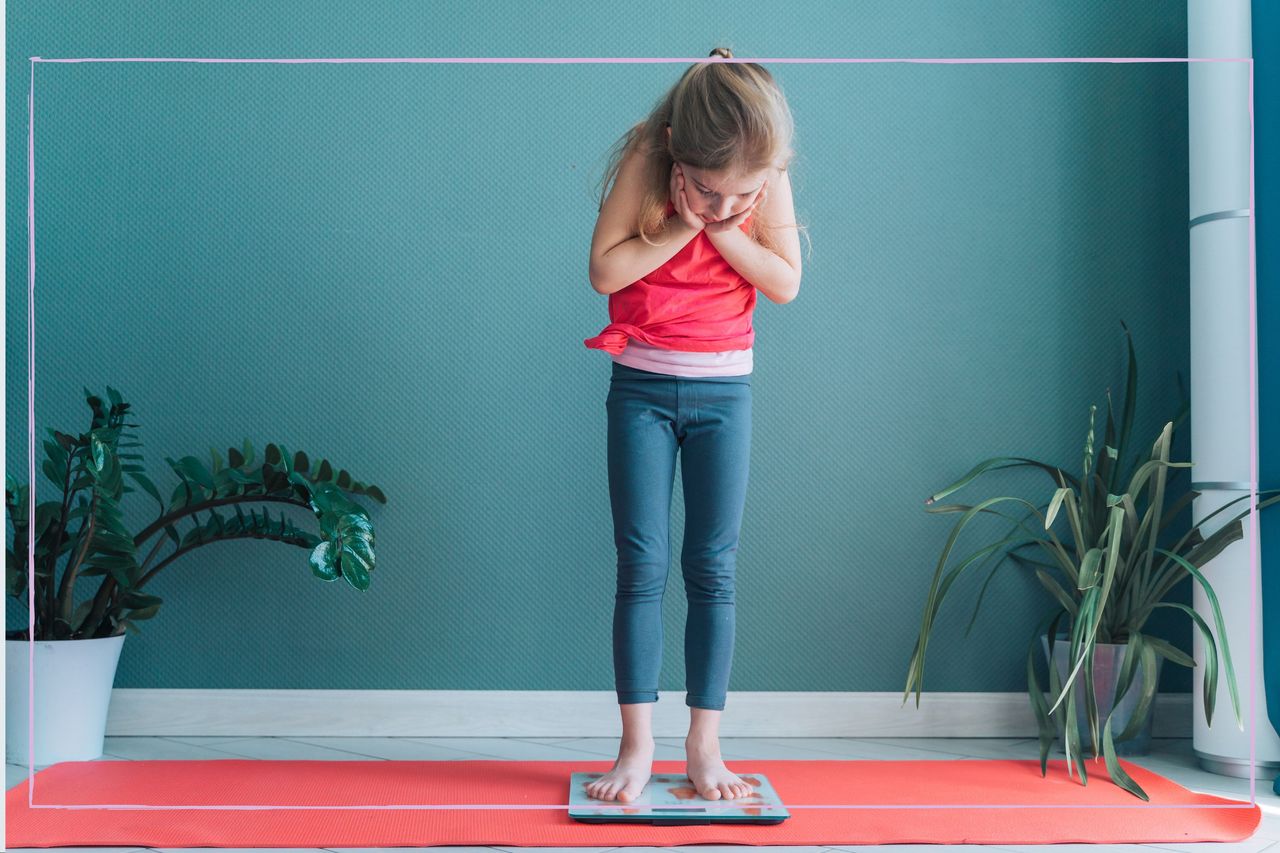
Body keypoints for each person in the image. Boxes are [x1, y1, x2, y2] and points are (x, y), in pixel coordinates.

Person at [582, 46, 806, 805]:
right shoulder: (651, 151)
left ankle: (704, 743)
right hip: (641, 386)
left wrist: (723, 225)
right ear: (680, 155)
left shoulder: (761, 173)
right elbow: (606, 271)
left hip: (724, 393)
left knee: (713, 567)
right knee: (640, 563)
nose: (728, 201)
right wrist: (686, 222)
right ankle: (635, 744)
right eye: (711, 189)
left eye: (744, 193)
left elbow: (785, 282)